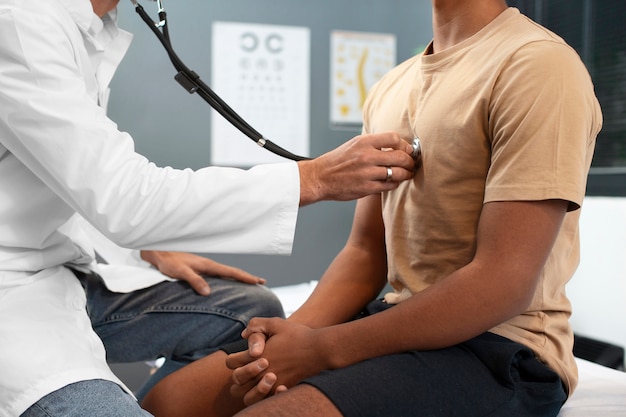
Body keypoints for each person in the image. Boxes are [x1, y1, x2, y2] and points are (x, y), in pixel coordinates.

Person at [138, 0, 603, 416]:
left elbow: (503, 283)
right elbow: (365, 254)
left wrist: (324, 350)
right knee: (168, 402)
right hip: (397, 324)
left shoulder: (539, 66)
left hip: (500, 349)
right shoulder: (391, 87)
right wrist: (288, 341)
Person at [0, 0, 416, 415]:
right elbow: (121, 197)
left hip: (56, 269)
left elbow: (48, 175)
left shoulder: (91, 24)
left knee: (253, 309)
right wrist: (315, 178)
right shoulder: (21, 23)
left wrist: (141, 248)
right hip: (13, 294)